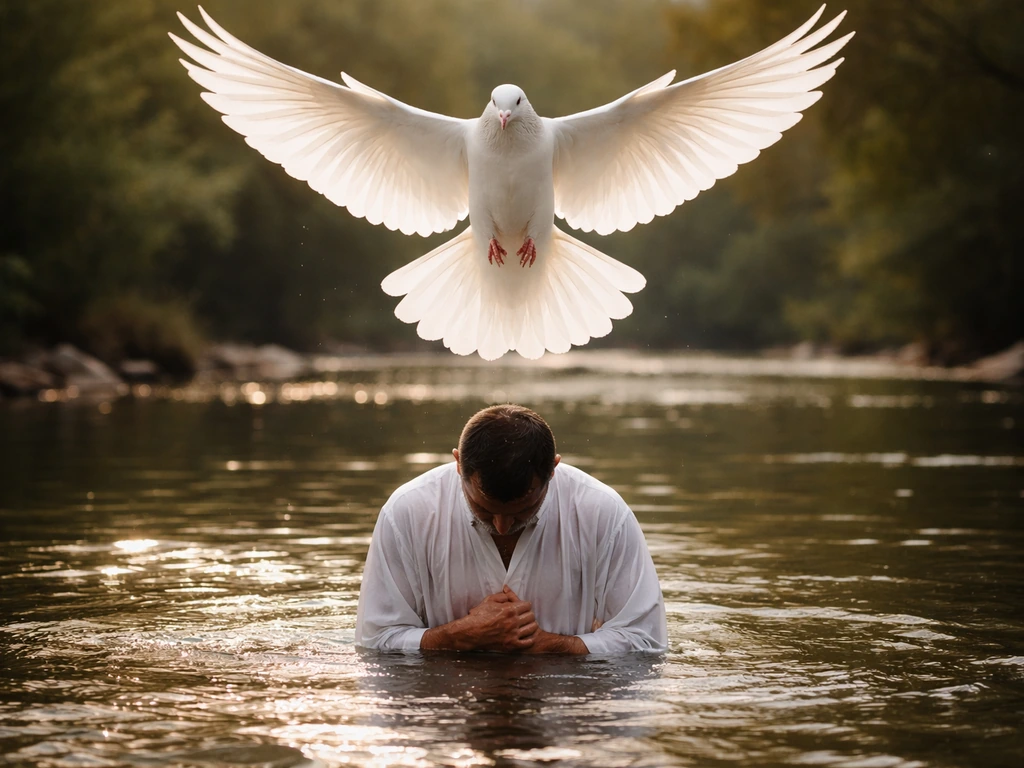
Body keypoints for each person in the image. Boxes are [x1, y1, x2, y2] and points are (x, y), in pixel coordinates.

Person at [355, 404, 667, 654]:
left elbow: (646, 639)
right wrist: (453, 637)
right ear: (459, 464)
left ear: (553, 470)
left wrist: (557, 646)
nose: (502, 527)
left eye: (523, 511)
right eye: (485, 510)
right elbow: (375, 638)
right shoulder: (407, 512)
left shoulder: (603, 512)